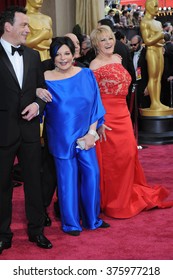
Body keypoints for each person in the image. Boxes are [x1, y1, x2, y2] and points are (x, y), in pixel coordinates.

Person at [89, 25, 173, 219]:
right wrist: (98, 122)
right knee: (113, 160)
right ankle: (114, 199)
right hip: (107, 118)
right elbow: (92, 98)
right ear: (96, 44)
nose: (109, 43)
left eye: (110, 38)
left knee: (128, 155)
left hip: (123, 115)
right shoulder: (93, 66)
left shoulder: (118, 58)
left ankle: (126, 193)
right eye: (103, 40)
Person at [37, 36, 110, 236]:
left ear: (74, 54)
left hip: (86, 137)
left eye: (67, 53)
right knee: (67, 180)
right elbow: (33, 101)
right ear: (52, 57)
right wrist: (36, 90)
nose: (63, 58)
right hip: (60, 139)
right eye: (58, 54)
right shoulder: (44, 78)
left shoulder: (86, 74)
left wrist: (92, 133)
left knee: (92, 176)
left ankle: (92, 219)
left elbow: (95, 105)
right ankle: (71, 223)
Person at [0, 6, 52, 255]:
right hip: (2, 131)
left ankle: (37, 230)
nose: (28, 30)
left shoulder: (33, 56)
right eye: (24, 25)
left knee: (34, 182)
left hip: (30, 130)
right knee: (2, 185)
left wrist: (37, 104)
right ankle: (2, 234)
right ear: (8, 26)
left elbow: (41, 91)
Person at [140, 0, 169, 111]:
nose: (157, 9)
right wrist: (160, 35)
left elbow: (159, 40)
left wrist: (159, 39)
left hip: (158, 50)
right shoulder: (145, 22)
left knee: (158, 77)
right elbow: (147, 41)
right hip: (151, 51)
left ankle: (157, 102)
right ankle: (154, 102)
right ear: (148, 7)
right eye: (155, 6)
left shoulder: (158, 23)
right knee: (153, 77)